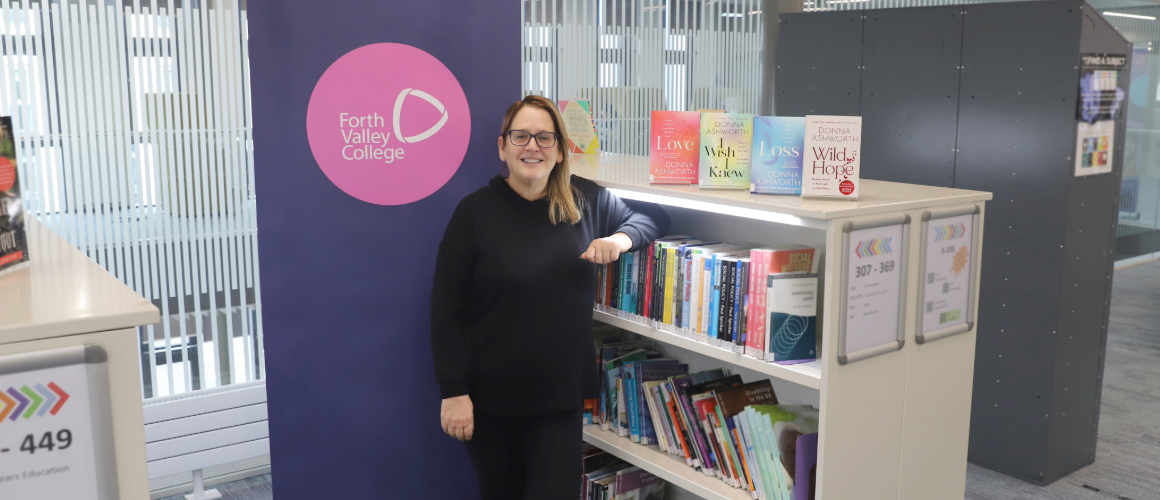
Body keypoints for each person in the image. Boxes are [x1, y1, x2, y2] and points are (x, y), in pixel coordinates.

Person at [429, 95, 669, 499]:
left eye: (544, 137)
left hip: (560, 398)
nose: (532, 146)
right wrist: (453, 392)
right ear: (502, 146)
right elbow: (446, 311)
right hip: (489, 401)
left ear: (560, 150)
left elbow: (654, 218)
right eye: (520, 136)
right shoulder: (474, 213)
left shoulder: (585, 201)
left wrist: (619, 240)